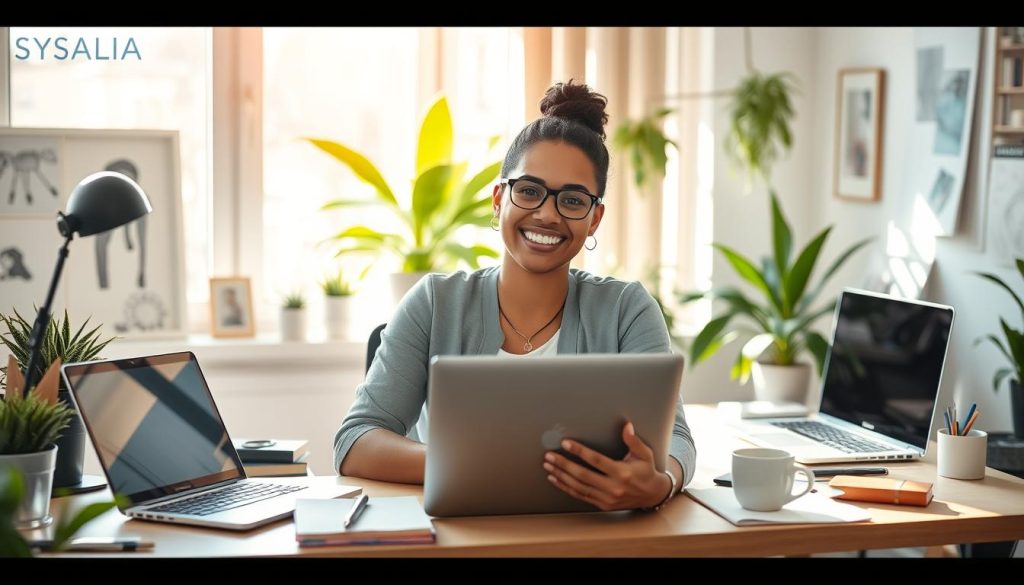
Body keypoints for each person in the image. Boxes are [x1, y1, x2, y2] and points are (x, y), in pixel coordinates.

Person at [334, 80, 696, 511]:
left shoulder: (627, 310)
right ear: (498, 198)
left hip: (587, 539)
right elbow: (355, 441)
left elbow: (675, 440)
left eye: (573, 200)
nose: (547, 213)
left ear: (594, 218)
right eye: (529, 190)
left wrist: (661, 483)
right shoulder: (434, 302)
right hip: (458, 538)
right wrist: (465, 464)